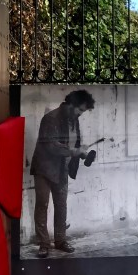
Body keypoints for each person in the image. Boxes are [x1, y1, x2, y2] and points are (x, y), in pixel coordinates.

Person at [31, 89, 95, 258]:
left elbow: (73, 144)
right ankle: (44, 244)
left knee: (61, 205)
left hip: (61, 168)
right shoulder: (50, 118)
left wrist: (82, 154)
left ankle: (60, 241)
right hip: (44, 168)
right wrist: (74, 151)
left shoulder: (74, 120)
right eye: (80, 110)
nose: (81, 114)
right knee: (42, 205)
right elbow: (51, 145)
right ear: (71, 104)